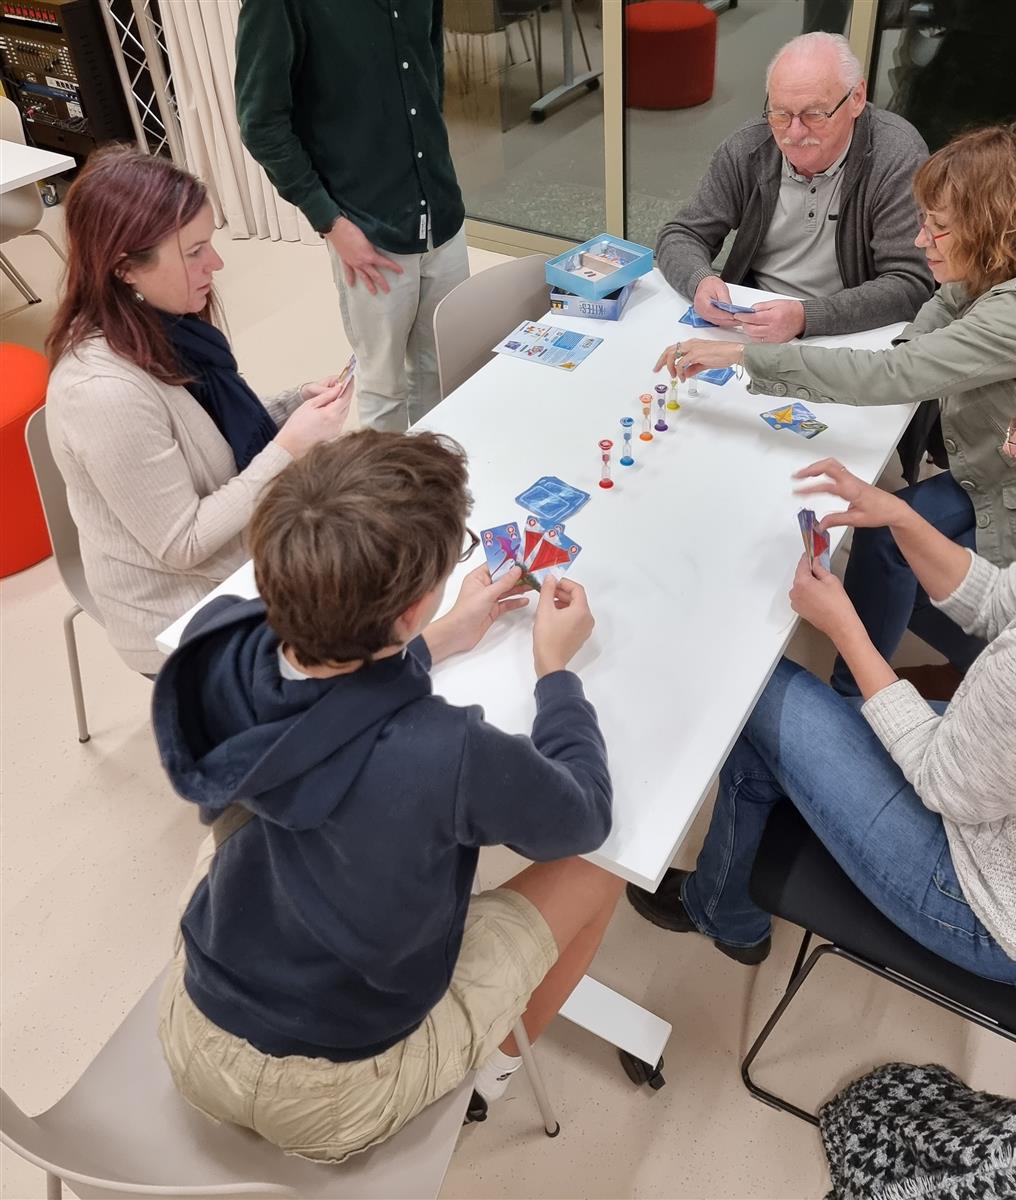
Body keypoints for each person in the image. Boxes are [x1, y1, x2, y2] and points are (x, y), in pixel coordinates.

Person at [153, 429, 623, 1159]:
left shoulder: (220, 646)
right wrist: (555, 671)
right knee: (603, 872)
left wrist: (434, 639)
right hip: (336, 1098)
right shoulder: (449, 750)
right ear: (411, 607)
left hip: (191, 1025)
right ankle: (490, 1079)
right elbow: (585, 815)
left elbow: (323, 710)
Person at [628, 336, 1016, 987]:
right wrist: (900, 517)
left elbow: (942, 780)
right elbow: (1002, 602)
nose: (1010, 452)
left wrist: (845, 628)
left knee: (757, 687)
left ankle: (722, 908)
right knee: (790, 727)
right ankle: (726, 902)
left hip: (1003, 911)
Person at [656, 122, 1016, 697]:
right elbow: (945, 301)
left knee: (901, 551)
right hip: (1000, 470)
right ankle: (912, 669)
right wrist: (914, 351)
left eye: (939, 227)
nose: (922, 240)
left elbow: (893, 375)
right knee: (886, 544)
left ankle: (878, 691)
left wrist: (746, 356)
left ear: (993, 228)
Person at [45, 148, 350, 677]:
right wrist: (288, 448)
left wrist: (292, 404)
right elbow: (183, 543)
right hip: (179, 610)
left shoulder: (163, 325)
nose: (217, 264)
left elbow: (202, 437)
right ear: (124, 267)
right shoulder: (102, 394)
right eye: (194, 252)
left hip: (238, 559)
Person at [235, 0, 468, 433]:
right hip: (365, 229)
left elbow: (429, 66)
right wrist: (330, 221)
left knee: (445, 368)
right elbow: (261, 123)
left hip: (441, 211)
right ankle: (388, 479)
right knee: (383, 387)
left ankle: (438, 472)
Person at [655, 31, 933, 344]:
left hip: (847, 333)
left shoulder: (895, 155)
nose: (794, 132)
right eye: (781, 113)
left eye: (814, 114)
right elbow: (682, 234)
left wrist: (806, 316)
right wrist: (699, 281)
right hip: (752, 320)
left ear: (856, 98)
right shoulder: (750, 147)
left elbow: (910, 283)